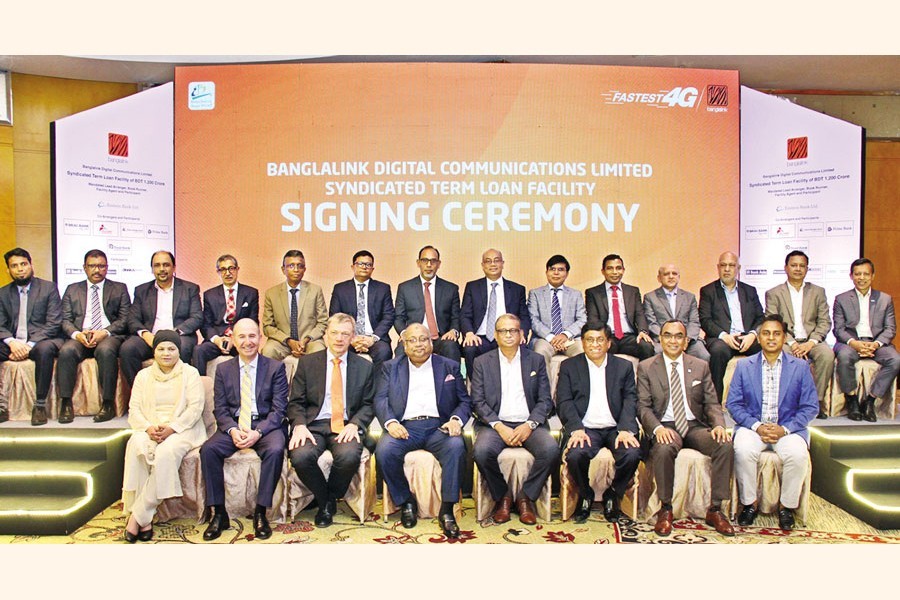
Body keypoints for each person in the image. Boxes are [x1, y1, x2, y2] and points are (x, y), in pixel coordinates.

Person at [637, 320, 733, 536]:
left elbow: (712, 403)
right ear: (660, 339)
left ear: (686, 340)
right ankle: (666, 508)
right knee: (663, 448)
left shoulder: (700, 365)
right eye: (668, 335)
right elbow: (642, 407)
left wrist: (719, 425)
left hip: (694, 425)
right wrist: (658, 428)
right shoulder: (646, 367)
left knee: (724, 444)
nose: (673, 340)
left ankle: (716, 509)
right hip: (666, 425)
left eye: (678, 336)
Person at [374, 323, 471, 538]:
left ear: (431, 342)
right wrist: (390, 423)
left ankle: (447, 509)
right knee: (385, 451)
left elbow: (464, 401)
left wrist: (456, 420)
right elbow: (380, 399)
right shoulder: (390, 366)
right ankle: (406, 502)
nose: (419, 344)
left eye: (423, 339)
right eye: (412, 340)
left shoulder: (449, 366)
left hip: (439, 426)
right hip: (405, 427)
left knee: (456, 446)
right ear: (404, 344)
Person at [727, 314, 819, 531]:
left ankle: (786, 507)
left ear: (784, 337)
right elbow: (734, 404)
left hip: (787, 429)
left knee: (798, 454)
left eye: (776, 334)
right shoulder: (744, 366)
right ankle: (749, 504)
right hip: (753, 427)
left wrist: (784, 429)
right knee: (742, 449)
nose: (771, 338)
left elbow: (810, 407)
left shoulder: (800, 367)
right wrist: (757, 426)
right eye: (766, 333)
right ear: (758, 338)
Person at [200, 318, 289, 541]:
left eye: (252, 336)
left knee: (276, 450)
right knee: (208, 450)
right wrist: (232, 429)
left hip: (266, 425)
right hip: (234, 425)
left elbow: (279, 409)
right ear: (233, 339)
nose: (247, 341)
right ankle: (219, 513)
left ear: (260, 338)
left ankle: (261, 511)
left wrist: (257, 432)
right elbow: (220, 408)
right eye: (241, 336)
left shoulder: (276, 368)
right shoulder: (222, 369)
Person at [287, 313, 375, 527]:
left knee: (348, 456)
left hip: (346, 425)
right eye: (334, 333)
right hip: (313, 425)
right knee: (300, 455)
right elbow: (295, 401)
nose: (339, 338)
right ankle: (327, 500)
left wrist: (355, 423)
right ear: (325, 335)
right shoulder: (307, 363)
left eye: (345, 334)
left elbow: (369, 404)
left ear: (353, 337)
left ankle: (325, 500)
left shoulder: (364, 366)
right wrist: (298, 425)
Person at [121, 330, 206, 543]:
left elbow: (195, 409)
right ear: (154, 350)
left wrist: (172, 428)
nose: (166, 353)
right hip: (150, 427)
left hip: (184, 429)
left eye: (171, 349)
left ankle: (138, 515)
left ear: (179, 351)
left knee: (166, 453)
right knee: (137, 445)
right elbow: (134, 409)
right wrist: (149, 428)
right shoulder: (143, 375)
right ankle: (146, 520)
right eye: (161, 349)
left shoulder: (191, 373)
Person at [471, 314, 556, 525]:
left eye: (513, 330)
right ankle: (504, 497)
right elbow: (478, 401)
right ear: (495, 335)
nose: (508, 335)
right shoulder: (482, 362)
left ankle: (526, 497)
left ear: (521, 335)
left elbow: (545, 400)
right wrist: (499, 427)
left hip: (528, 423)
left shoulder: (535, 360)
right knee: (481, 451)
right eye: (503, 331)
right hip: (496, 424)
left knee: (550, 449)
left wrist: (529, 425)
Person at [556, 323, 641, 524]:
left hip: (616, 428)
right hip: (585, 428)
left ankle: (613, 493)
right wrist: (576, 428)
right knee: (576, 455)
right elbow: (564, 401)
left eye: (600, 339)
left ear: (608, 343)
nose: (595, 344)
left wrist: (626, 429)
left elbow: (631, 399)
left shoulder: (623, 366)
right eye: (590, 340)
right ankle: (585, 493)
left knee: (632, 453)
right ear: (582, 343)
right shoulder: (569, 366)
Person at [58, 249, 131, 424]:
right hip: (80, 335)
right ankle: (66, 403)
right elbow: (65, 320)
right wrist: (77, 335)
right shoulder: (72, 289)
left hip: (109, 335)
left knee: (106, 350)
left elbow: (125, 318)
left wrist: (104, 332)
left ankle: (108, 404)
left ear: (107, 267)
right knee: (66, 351)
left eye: (101, 266)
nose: (97, 270)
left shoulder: (119, 288)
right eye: (92, 266)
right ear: (84, 267)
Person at [764, 251, 834, 419]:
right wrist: (792, 343)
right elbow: (773, 322)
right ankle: (790, 404)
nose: (798, 269)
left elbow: (824, 321)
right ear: (786, 268)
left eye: (802, 266)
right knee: (784, 357)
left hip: (812, 341)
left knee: (827, 355)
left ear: (807, 269)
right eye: (794, 265)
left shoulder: (818, 291)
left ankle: (815, 402)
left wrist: (811, 343)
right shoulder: (774, 293)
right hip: (786, 342)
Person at [120, 250, 203, 387]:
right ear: (152, 269)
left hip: (179, 336)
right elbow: (132, 319)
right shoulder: (141, 290)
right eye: (157, 265)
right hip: (150, 338)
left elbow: (197, 317)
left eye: (166, 265)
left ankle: (178, 394)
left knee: (184, 348)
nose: (162, 269)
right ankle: (140, 394)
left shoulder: (189, 289)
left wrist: (174, 335)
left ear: (174, 267)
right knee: (127, 349)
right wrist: (146, 335)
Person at [0, 248, 63, 425]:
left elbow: (53, 323)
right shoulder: (3, 293)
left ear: (31, 265)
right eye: (14, 266)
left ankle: (40, 405)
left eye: (23, 264)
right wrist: (12, 343)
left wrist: (28, 345)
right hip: (14, 342)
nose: (20, 269)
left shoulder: (48, 288)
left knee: (45, 350)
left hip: (41, 340)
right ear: (8, 270)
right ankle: (1, 407)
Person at [832, 258, 899, 422]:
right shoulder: (841, 299)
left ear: (873, 276)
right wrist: (854, 343)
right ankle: (852, 400)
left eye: (865, 274)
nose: (861, 278)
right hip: (851, 342)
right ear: (851, 276)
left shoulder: (885, 299)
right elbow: (838, 329)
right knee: (844, 356)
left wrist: (876, 344)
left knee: (896, 360)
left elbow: (890, 328)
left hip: (877, 343)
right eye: (857, 274)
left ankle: (870, 400)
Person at [698, 251, 764, 401]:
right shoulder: (708, 291)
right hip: (721, 338)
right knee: (718, 352)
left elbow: (761, 317)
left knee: (765, 349)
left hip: (746, 336)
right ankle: (715, 403)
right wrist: (724, 336)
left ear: (738, 268)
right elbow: (705, 319)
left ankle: (760, 400)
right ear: (718, 267)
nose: (727, 269)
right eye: (723, 265)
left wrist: (753, 334)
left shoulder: (749, 290)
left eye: (731, 265)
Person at [460, 249, 531, 376]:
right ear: (483, 265)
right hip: (480, 338)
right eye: (488, 261)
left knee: (523, 348)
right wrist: (469, 333)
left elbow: (524, 316)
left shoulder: (517, 289)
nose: (492, 264)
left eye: (496, 260)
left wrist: (522, 333)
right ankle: (477, 388)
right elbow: (465, 314)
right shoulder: (472, 287)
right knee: (469, 349)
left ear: (502, 263)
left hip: (508, 335)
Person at [328, 250, 394, 373]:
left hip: (375, 338)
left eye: (368, 265)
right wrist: (352, 338)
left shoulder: (383, 288)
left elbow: (388, 316)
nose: (364, 267)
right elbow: (335, 316)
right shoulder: (340, 289)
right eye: (360, 264)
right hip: (348, 337)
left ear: (372, 269)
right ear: (353, 266)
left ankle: (377, 391)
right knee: (338, 348)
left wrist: (372, 338)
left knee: (384, 352)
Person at [193, 254, 259, 376]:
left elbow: (253, 322)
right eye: (223, 269)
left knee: (252, 350)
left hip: (240, 340)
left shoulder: (251, 293)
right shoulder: (209, 295)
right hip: (218, 339)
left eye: (231, 268)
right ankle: (200, 387)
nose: (227, 273)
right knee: (199, 350)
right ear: (218, 272)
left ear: (237, 269)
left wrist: (235, 339)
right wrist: (217, 340)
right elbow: (206, 325)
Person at [393, 245, 461, 363]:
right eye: (425, 260)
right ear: (418, 263)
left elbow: (456, 316)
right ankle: (400, 382)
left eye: (433, 261)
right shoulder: (405, 288)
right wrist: (404, 333)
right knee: (400, 349)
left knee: (451, 347)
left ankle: (453, 381)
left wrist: (453, 330)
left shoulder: (451, 289)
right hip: (414, 337)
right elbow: (399, 317)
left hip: (441, 338)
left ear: (439, 264)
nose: (429, 265)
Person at [584, 254, 654, 361]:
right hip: (607, 336)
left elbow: (640, 314)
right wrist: (603, 337)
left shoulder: (633, 291)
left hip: (629, 337)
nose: (615, 272)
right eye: (610, 268)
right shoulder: (593, 293)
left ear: (623, 270)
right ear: (603, 271)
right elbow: (593, 319)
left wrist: (643, 332)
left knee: (646, 346)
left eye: (618, 268)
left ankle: (643, 378)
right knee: (599, 348)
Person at [261, 249, 327, 360]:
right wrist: (289, 341)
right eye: (291, 266)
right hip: (282, 342)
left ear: (304, 269)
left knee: (319, 350)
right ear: (283, 269)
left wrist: (305, 340)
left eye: (300, 266)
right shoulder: (271, 293)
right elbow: (267, 326)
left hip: (310, 341)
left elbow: (323, 322)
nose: (296, 270)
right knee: (268, 350)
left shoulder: (315, 290)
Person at [527, 254, 587, 372]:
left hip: (570, 339)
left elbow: (582, 319)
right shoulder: (535, 293)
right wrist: (552, 337)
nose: (556, 273)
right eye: (552, 269)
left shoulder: (576, 294)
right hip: (544, 339)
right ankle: (545, 391)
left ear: (567, 274)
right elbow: (533, 320)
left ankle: (580, 390)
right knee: (540, 352)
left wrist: (565, 335)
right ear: (546, 272)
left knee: (582, 351)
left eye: (560, 270)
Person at [642, 263, 710, 361]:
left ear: (678, 277)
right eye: (666, 274)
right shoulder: (650, 297)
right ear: (659, 278)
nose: (671, 277)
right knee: (656, 354)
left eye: (674, 274)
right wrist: (669, 339)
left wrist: (686, 339)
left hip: (687, 341)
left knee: (703, 355)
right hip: (663, 341)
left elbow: (694, 322)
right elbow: (651, 323)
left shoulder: (689, 297)